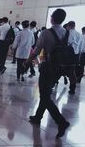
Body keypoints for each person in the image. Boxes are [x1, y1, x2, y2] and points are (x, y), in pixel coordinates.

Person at [25, 8, 70, 139]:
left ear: (52, 18)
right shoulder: (66, 32)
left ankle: (61, 122)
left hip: (47, 67)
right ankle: (38, 117)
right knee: (46, 92)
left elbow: (36, 50)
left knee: (45, 96)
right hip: (59, 68)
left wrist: (28, 61)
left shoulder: (46, 32)